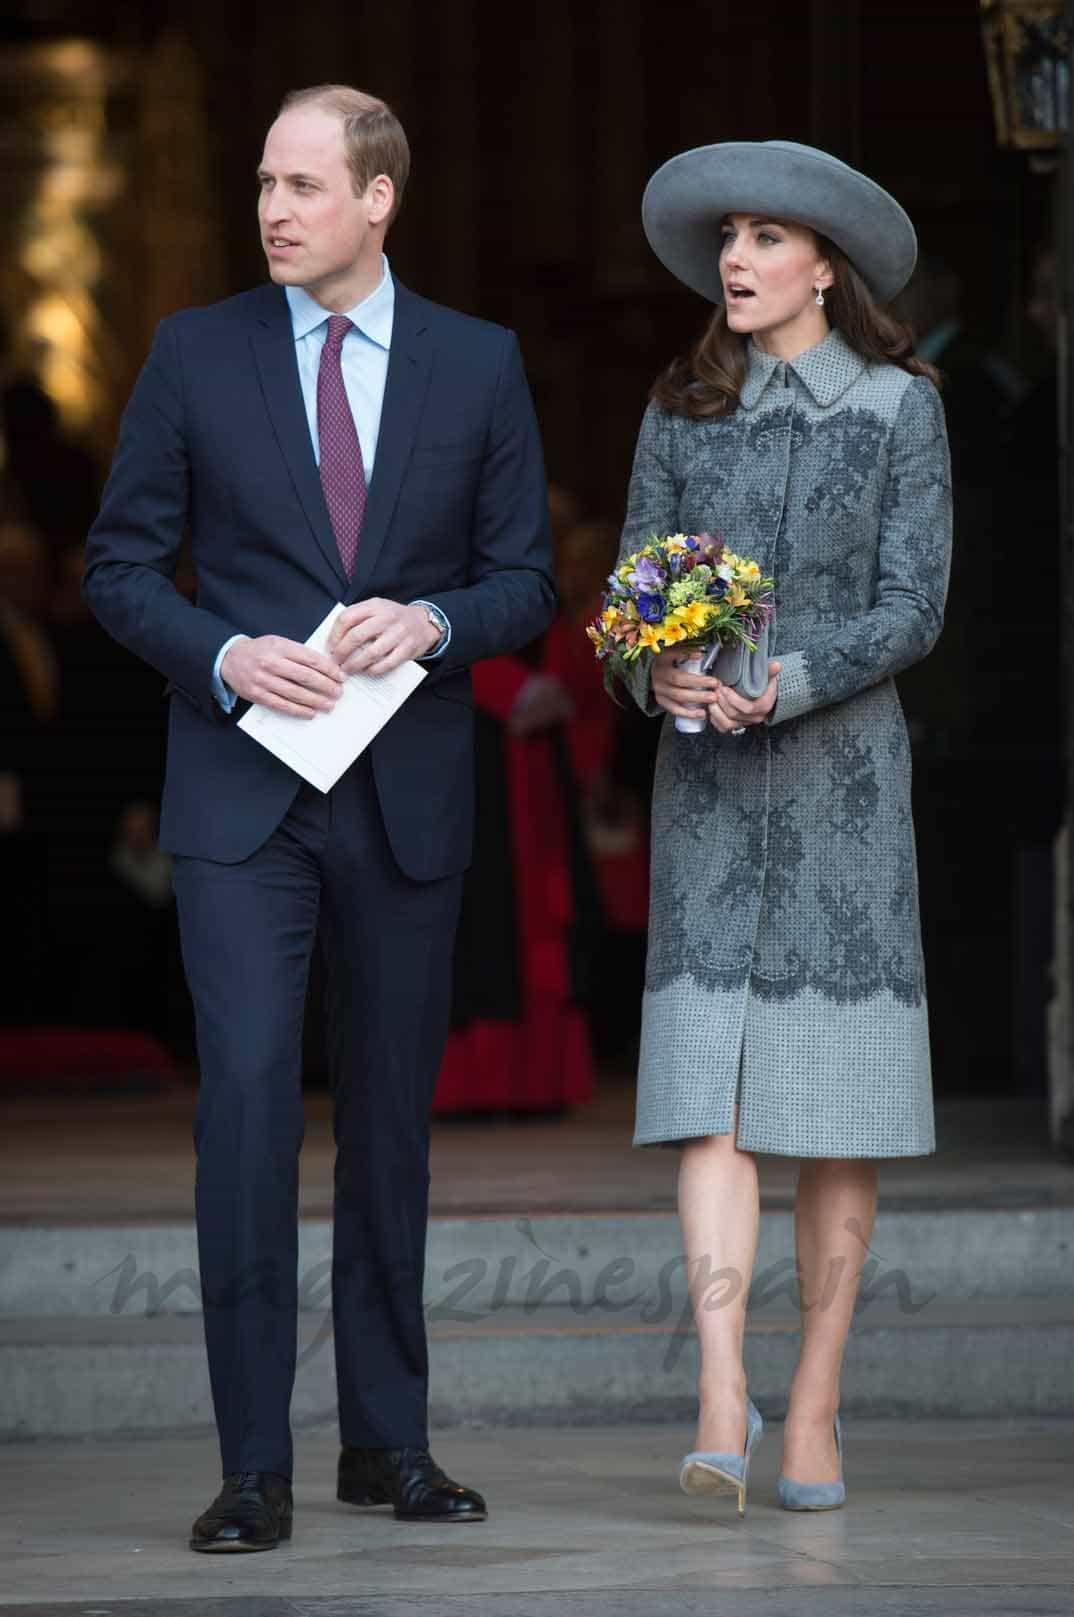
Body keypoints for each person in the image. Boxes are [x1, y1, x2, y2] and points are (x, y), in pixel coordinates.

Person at [82, 84, 555, 1551]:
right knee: (240, 1117)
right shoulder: (193, 352)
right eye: (265, 186)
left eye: (302, 185)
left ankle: (387, 1445)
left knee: (390, 1134)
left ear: (377, 199)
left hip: (405, 792)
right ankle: (251, 1467)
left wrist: (429, 619)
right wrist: (222, 656)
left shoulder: (479, 366)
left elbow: (527, 583)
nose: (274, 210)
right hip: (240, 800)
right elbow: (118, 568)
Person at [619, 141, 951, 1515]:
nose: (737, 260)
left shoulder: (895, 408)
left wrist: (787, 678)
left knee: (836, 1110)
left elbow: (912, 602)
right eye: (727, 240)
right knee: (709, 1100)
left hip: (842, 806)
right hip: (702, 801)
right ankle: (717, 1390)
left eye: (766, 236)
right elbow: (627, 594)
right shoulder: (678, 410)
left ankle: (810, 1400)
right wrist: (657, 671)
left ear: (827, 263)